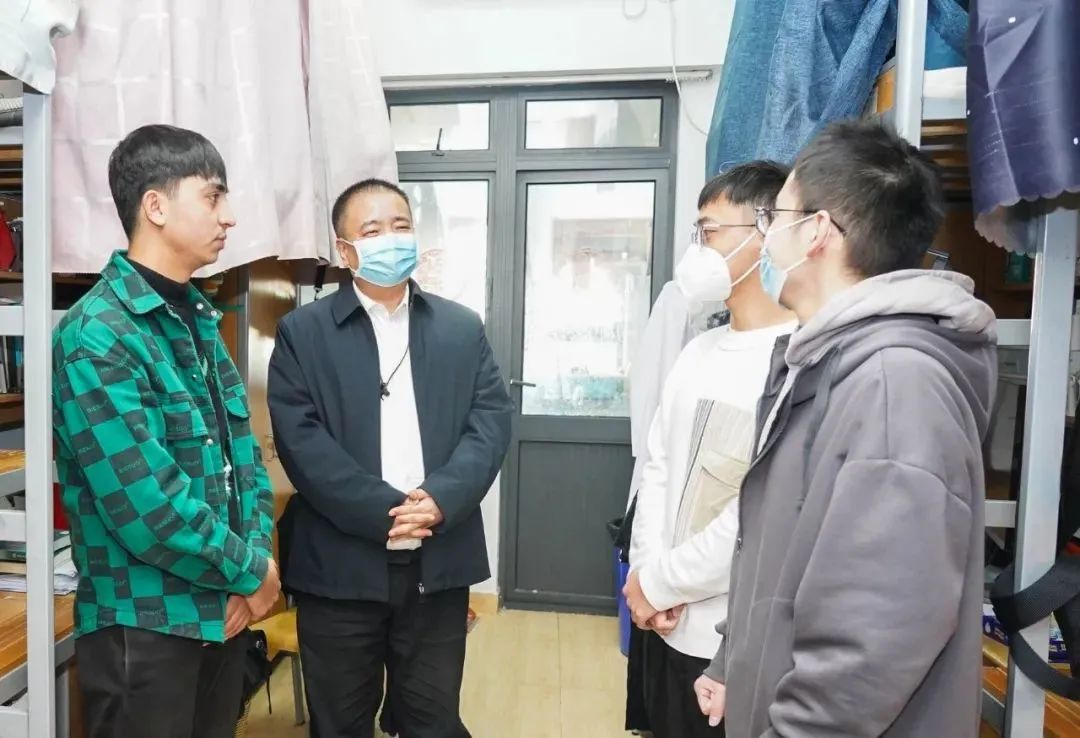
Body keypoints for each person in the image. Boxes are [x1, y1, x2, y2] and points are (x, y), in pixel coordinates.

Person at [694, 119, 996, 737]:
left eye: (773, 217)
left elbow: (871, 646)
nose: (765, 235)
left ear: (817, 232)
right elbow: (778, 554)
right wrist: (734, 660)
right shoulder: (820, 361)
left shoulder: (894, 388)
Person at [52, 124, 280, 738]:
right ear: (155, 206)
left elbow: (244, 461)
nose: (229, 216)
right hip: (144, 629)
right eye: (213, 196)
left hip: (221, 614)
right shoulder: (97, 334)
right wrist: (251, 571)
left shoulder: (197, 319)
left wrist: (254, 564)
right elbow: (147, 505)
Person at [267, 178, 513, 738]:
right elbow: (301, 443)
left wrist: (441, 498)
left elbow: (490, 422)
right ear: (344, 249)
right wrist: (389, 510)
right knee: (340, 723)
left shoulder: (460, 327)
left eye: (401, 226)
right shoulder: (303, 333)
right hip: (339, 569)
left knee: (431, 718)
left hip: (437, 562)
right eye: (373, 229)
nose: (391, 239)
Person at [622, 161, 797, 738]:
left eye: (710, 231)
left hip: (730, 643)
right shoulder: (698, 351)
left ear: (767, 232)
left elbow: (758, 517)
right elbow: (658, 468)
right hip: (660, 622)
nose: (696, 249)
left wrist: (661, 585)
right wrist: (646, 576)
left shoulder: (797, 361)